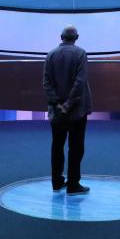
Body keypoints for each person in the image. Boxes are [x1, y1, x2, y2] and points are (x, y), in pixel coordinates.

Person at [43, 25, 92, 194]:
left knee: (57, 146)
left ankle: (57, 182)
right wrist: (68, 104)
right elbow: (79, 83)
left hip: (56, 112)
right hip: (77, 111)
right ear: (77, 37)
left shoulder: (50, 55)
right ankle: (73, 184)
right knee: (76, 147)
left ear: (61, 36)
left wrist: (58, 104)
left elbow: (46, 83)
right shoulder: (80, 54)